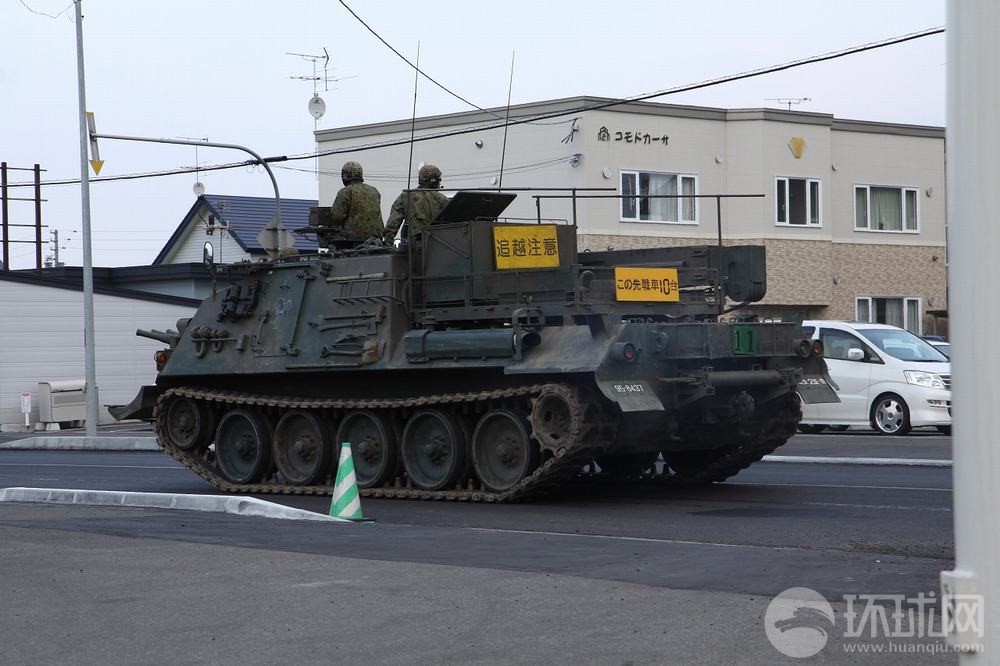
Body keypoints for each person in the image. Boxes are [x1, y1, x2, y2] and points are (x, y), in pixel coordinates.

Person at [384, 164, 449, 245]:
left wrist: (388, 242)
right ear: (438, 180)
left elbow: (393, 222)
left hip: (413, 247)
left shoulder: (406, 195)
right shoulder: (443, 200)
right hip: (438, 246)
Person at [328, 161, 384, 241]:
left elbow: (337, 216)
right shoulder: (374, 191)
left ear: (344, 176)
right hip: (377, 238)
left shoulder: (346, 191)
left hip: (354, 239)